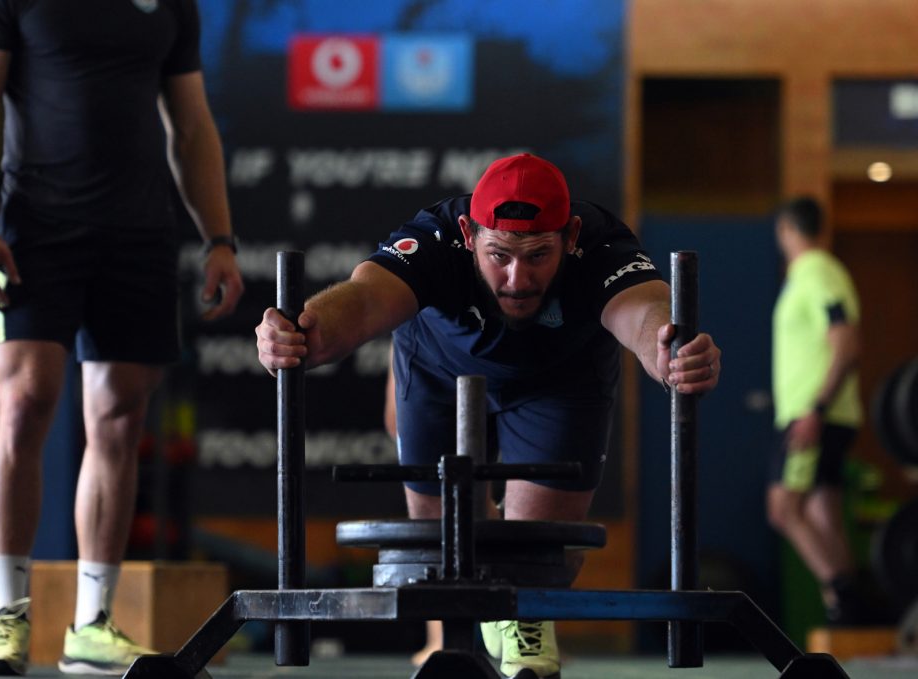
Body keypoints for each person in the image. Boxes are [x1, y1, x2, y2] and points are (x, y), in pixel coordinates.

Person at [256, 153, 721, 678]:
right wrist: (308, 332)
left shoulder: (600, 244)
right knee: (438, 550)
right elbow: (363, 301)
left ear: (569, 237)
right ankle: (450, 641)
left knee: (544, 556)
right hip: (436, 371)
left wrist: (669, 355)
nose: (517, 278)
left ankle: (522, 623)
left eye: (539, 255)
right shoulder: (433, 239)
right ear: (468, 234)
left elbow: (644, 312)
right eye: (499, 255)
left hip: (559, 380)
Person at [0, 0, 243, 675]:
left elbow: (191, 125)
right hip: (34, 228)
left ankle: (91, 623)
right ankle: (6, 617)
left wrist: (219, 238)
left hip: (137, 233)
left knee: (118, 418)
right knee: (25, 404)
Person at [766, 196, 863, 626]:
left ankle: (846, 594)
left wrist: (816, 409)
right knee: (824, 512)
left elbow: (845, 340)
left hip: (814, 415)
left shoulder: (818, 271)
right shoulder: (811, 274)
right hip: (819, 414)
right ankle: (846, 612)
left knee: (783, 508)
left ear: (786, 230)